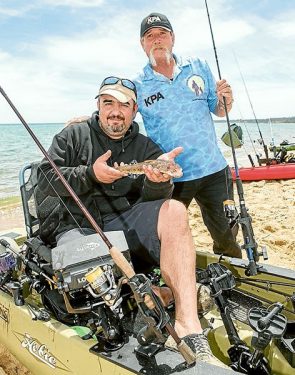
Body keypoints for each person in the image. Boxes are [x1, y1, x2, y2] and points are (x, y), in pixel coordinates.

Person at [38, 77, 227, 368]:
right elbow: (44, 178)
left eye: (124, 104)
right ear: (98, 106)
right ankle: (158, 295)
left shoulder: (146, 148)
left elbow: (150, 200)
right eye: (108, 103)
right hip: (75, 226)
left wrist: (160, 181)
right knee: (88, 271)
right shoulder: (72, 136)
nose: (116, 111)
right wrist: (91, 174)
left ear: (135, 109)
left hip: (121, 223)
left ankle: (188, 327)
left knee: (175, 209)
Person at [134, 12, 242, 259]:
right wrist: (87, 121)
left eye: (162, 33)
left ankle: (230, 274)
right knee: (164, 238)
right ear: (142, 44)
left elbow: (219, 109)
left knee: (227, 235)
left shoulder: (198, 66)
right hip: (171, 175)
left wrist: (227, 100)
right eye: (149, 36)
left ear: (172, 38)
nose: (157, 39)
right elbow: (119, 115)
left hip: (214, 169)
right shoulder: (138, 84)